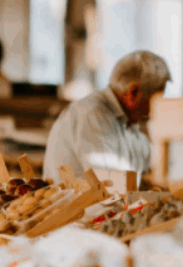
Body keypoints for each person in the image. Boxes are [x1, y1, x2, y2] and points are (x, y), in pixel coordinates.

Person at [43, 50, 171, 183]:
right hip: (78, 203)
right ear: (133, 93)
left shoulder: (128, 121)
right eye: (155, 99)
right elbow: (112, 184)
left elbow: (151, 165)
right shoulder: (92, 115)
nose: (155, 108)